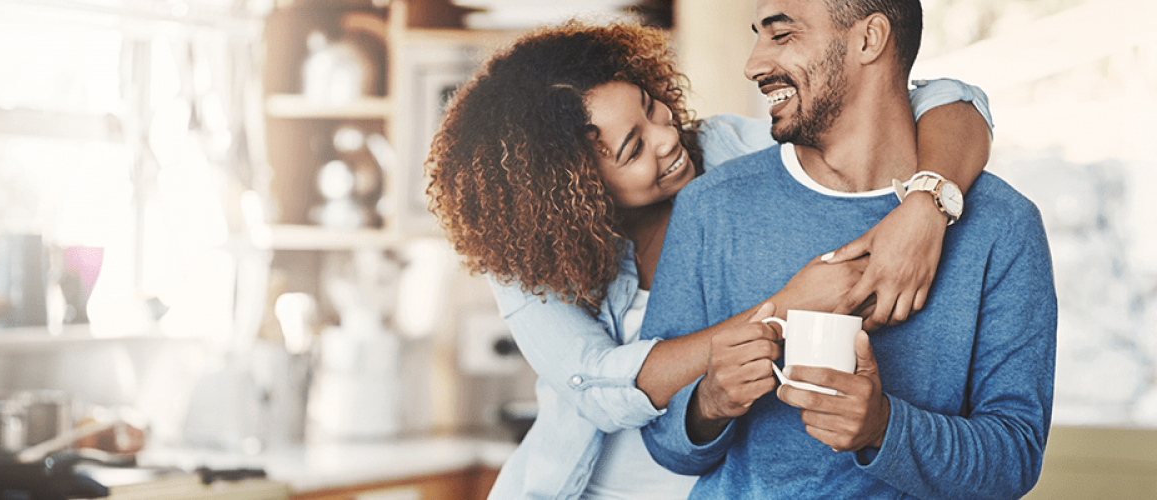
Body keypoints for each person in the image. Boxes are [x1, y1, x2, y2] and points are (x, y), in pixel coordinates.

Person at [426, 18, 994, 500]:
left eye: (652, 109)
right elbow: (597, 387)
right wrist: (784, 307)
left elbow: (947, 100)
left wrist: (927, 203)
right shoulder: (528, 258)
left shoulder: (727, 151)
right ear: (575, 190)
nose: (666, 138)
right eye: (633, 149)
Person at [638, 1, 1057, 499]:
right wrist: (708, 402)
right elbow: (665, 442)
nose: (752, 64)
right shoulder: (711, 207)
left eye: (781, 35)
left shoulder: (1002, 226)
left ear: (869, 38)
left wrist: (883, 428)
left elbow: (1015, 459)